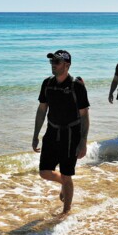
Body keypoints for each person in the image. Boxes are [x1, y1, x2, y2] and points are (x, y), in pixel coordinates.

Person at [32, 50, 90, 214]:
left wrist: (83, 141)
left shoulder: (76, 86)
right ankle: (65, 184)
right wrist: (36, 134)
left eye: (57, 62)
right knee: (44, 172)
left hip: (71, 135)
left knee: (66, 175)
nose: (53, 65)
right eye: (52, 62)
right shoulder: (47, 84)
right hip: (51, 132)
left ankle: (66, 213)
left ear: (67, 65)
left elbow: (84, 116)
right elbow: (42, 110)